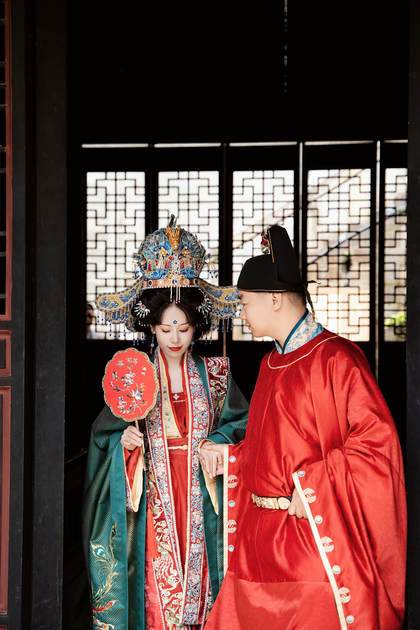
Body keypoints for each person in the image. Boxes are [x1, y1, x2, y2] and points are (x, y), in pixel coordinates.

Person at [204, 225, 407, 630]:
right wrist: (230, 457)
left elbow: (376, 447)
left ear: (274, 299)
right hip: (257, 546)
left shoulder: (337, 359)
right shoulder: (269, 364)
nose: (242, 313)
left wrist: (315, 482)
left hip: (310, 542)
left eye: (245, 302)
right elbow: (272, 449)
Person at [82, 217, 248, 630]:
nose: (175, 338)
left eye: (184, 328)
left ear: (196, 326)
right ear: (151, 326)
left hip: (204, 497)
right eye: (165, 328)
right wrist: (123, 442)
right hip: (153, 499)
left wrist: (217, 441)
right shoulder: (134, 377)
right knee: (155, 594)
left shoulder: (217, 374)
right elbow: (103, 438)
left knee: (206, 587)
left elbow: (244, 424)